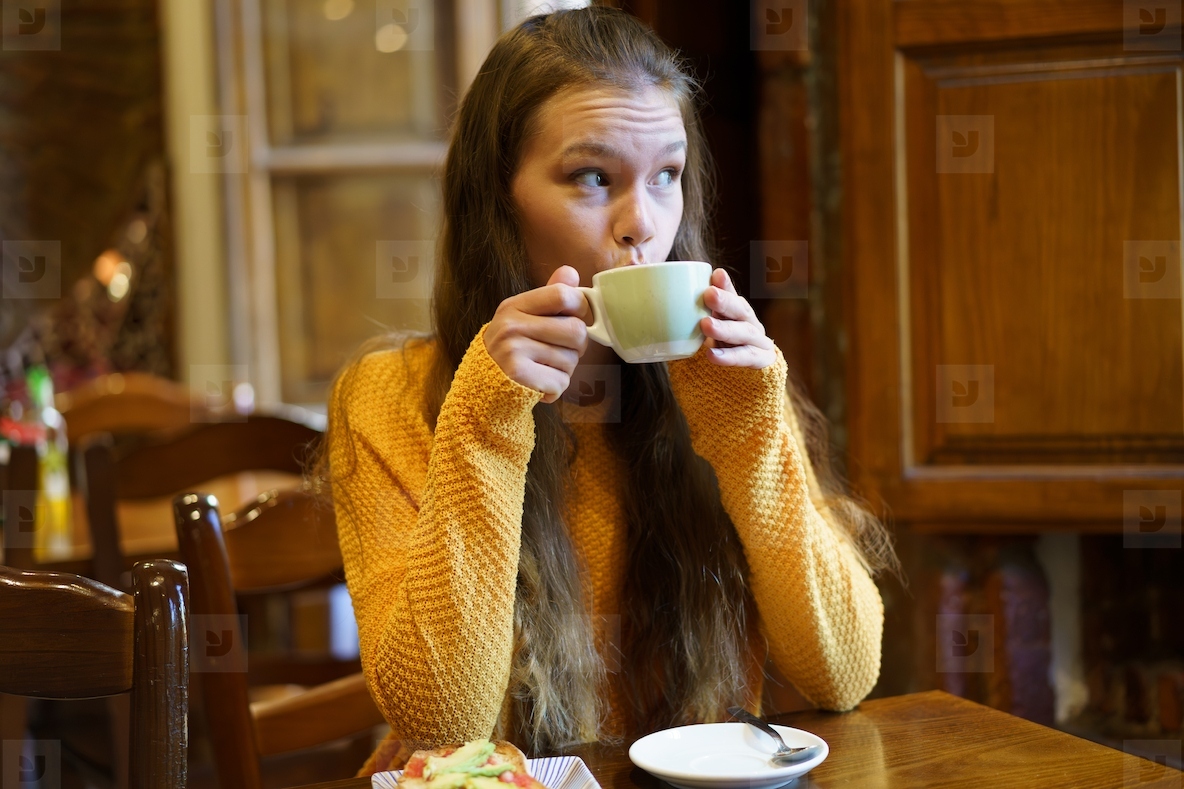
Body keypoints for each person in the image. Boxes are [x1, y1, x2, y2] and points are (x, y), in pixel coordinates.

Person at [320, 5, 897, 776]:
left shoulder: (728, 381)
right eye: (594, 177)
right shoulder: (388, 396)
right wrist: (487, 418)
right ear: (496, 200)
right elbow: (442, 723)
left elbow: (843, 674)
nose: (644, 224)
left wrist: (753, 431)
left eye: (667, 175)